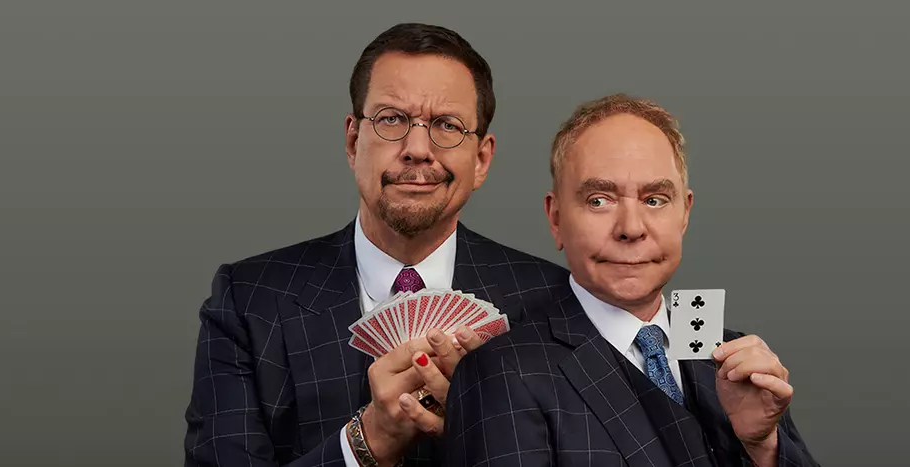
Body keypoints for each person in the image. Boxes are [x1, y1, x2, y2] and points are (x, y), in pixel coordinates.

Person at [183, 23, 570, 467]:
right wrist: (368, 442)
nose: (417, 149)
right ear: (353, 141)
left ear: (481, 159)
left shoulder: (552, 302)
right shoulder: (248, 302)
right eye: (392, 120)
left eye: (447, 125)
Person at [443, 94, 821, 467]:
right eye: (599, 200)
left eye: (654, 200)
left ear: (684, 214)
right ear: (556, 218)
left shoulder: (734, 358)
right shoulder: (504, 372)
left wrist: (763, 446)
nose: (631, 228)